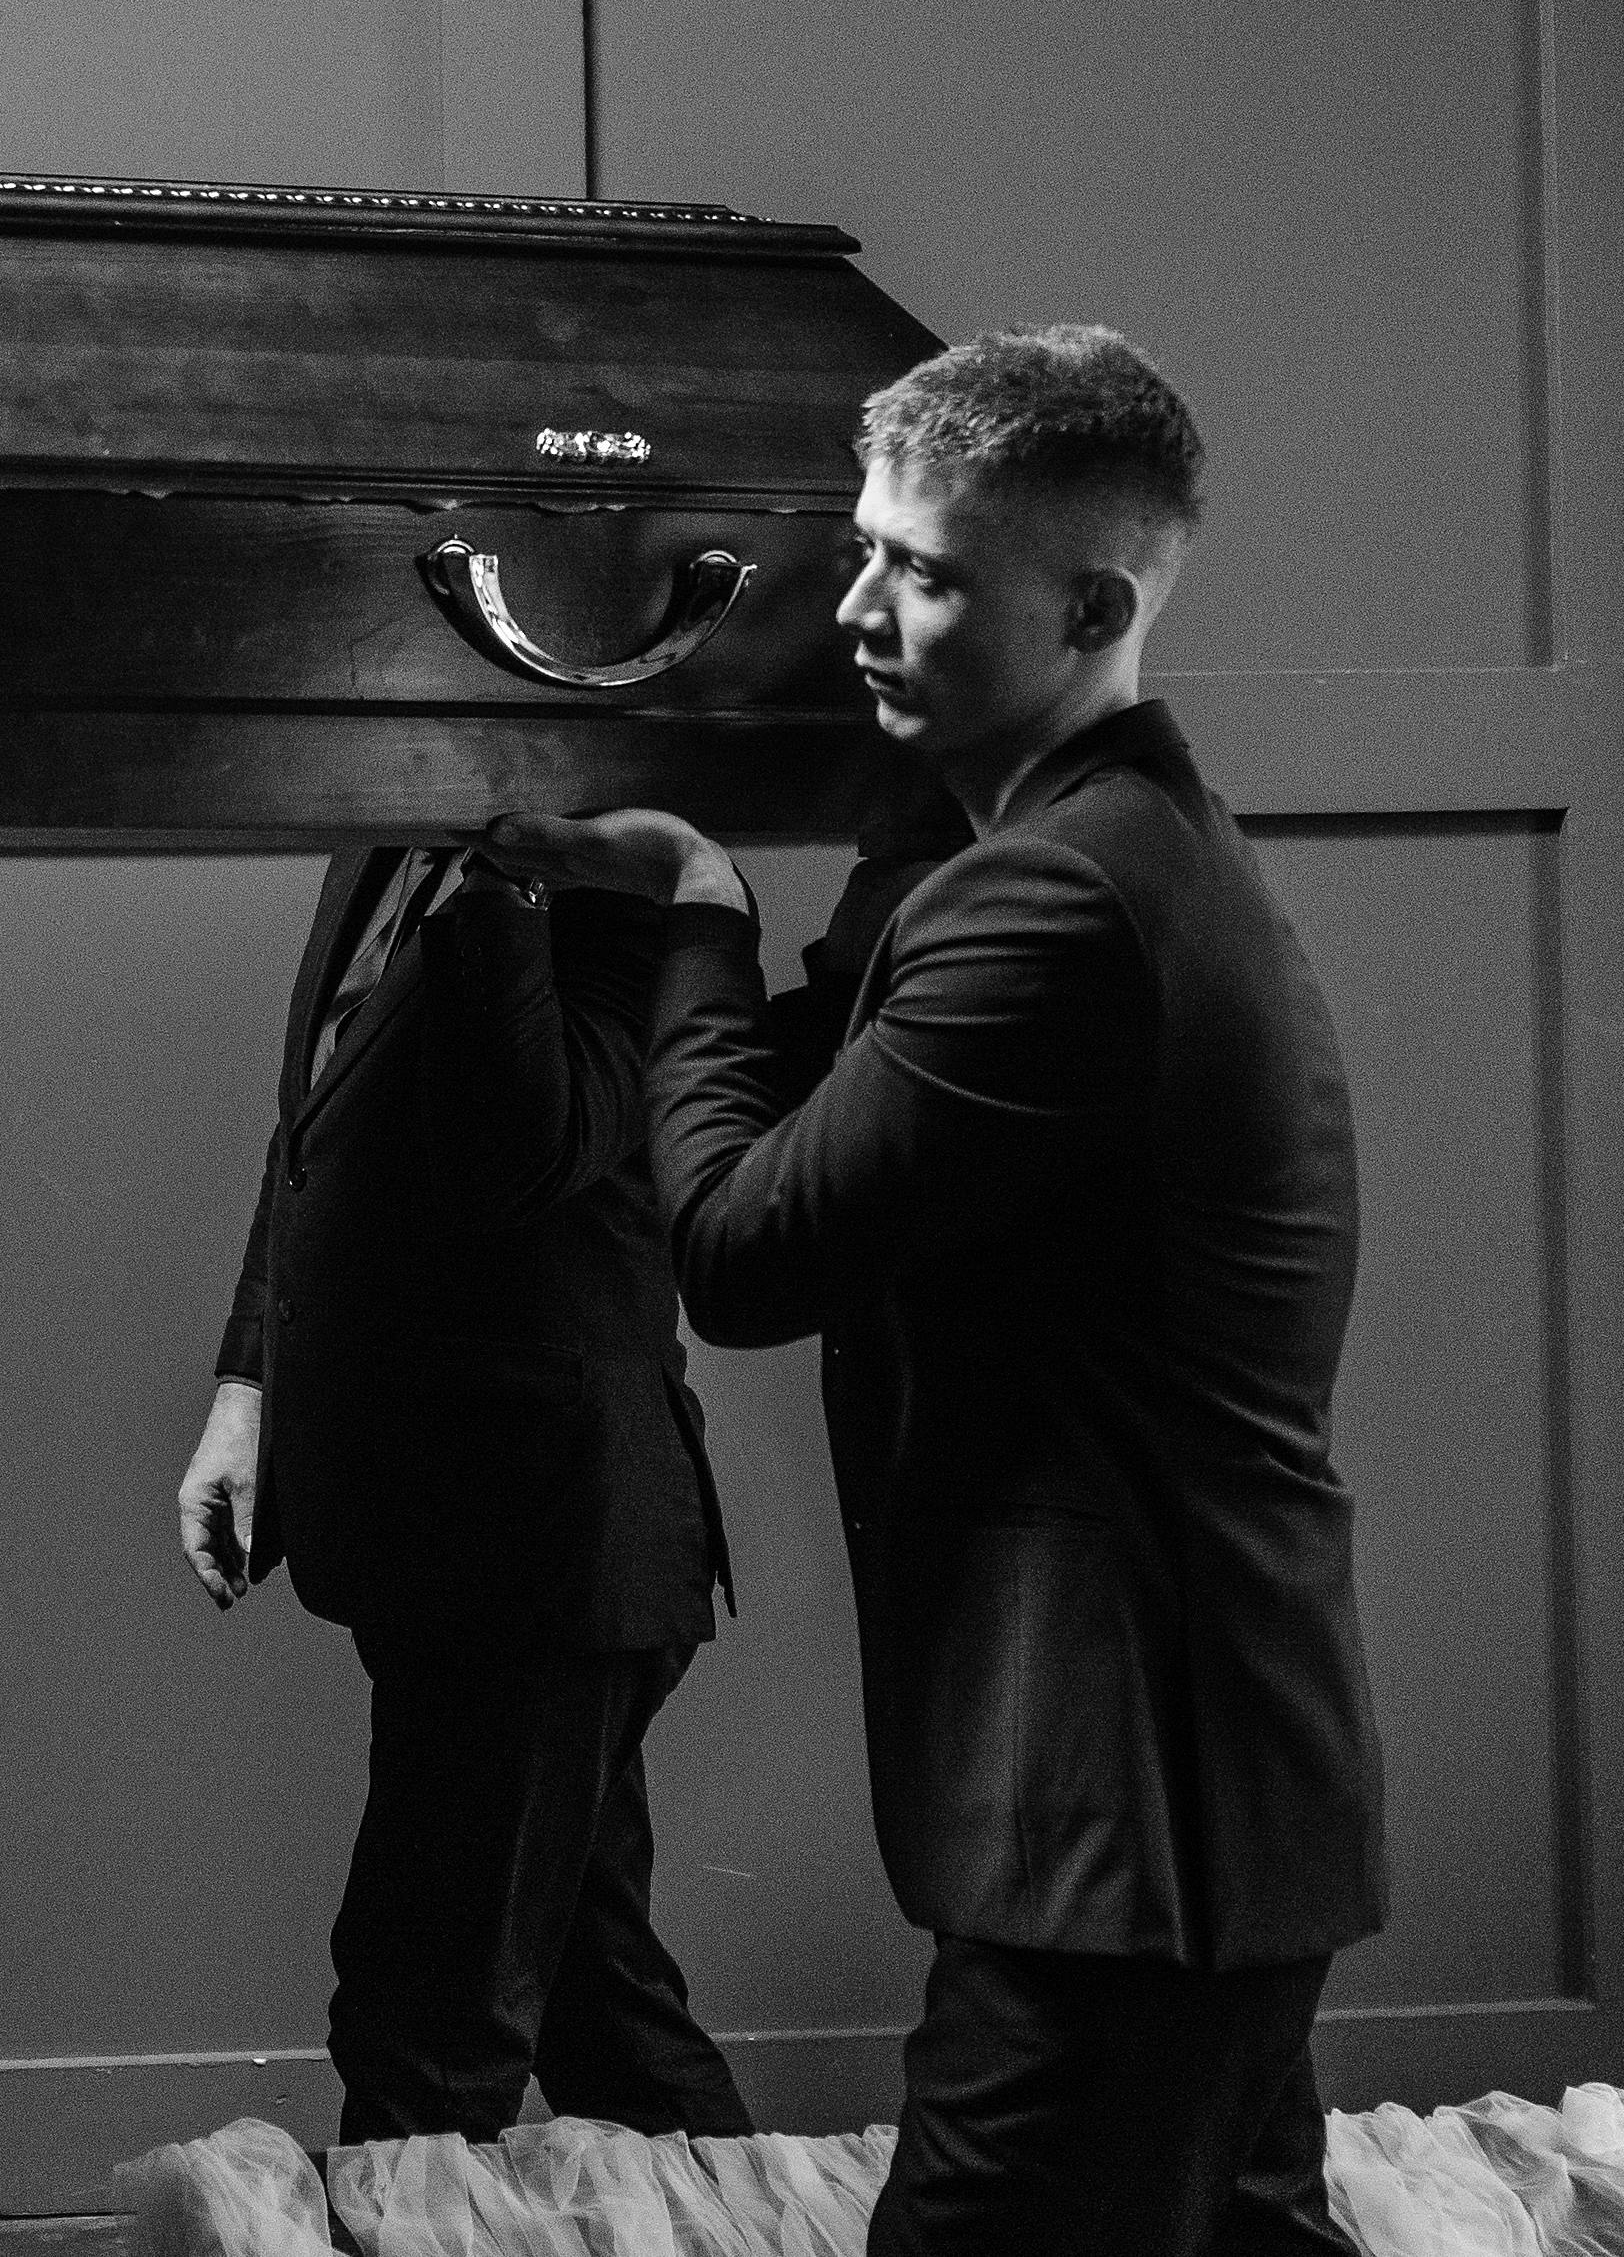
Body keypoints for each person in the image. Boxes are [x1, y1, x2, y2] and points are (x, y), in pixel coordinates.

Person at [491, 323, 1381, 2253]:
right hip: (1208, 1807)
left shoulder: (1055, 903)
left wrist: (702, 926)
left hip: (1119, 1828)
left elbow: (738, 1254)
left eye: (928, 572)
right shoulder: (1102, 852)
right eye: (870, 549)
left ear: (1090, 605)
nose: (861, 605)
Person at [173, 825, 757, 2151]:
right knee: (599, 2011)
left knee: (425, 2033)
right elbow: (315, 1130)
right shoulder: (382, 841)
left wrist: (519, 884)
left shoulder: (634, 888)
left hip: (547, 1543)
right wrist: (247, 1392)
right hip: (443, 1528)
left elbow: (531, 1148)